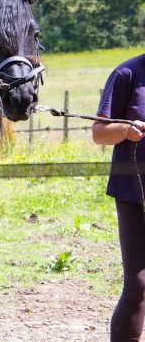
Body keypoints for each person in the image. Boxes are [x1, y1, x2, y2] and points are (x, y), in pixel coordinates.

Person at [92, 52, 145, 341]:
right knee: (137, 284)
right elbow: (99, 133)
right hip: (133, 192)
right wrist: (127, 129)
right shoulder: (126, 74)